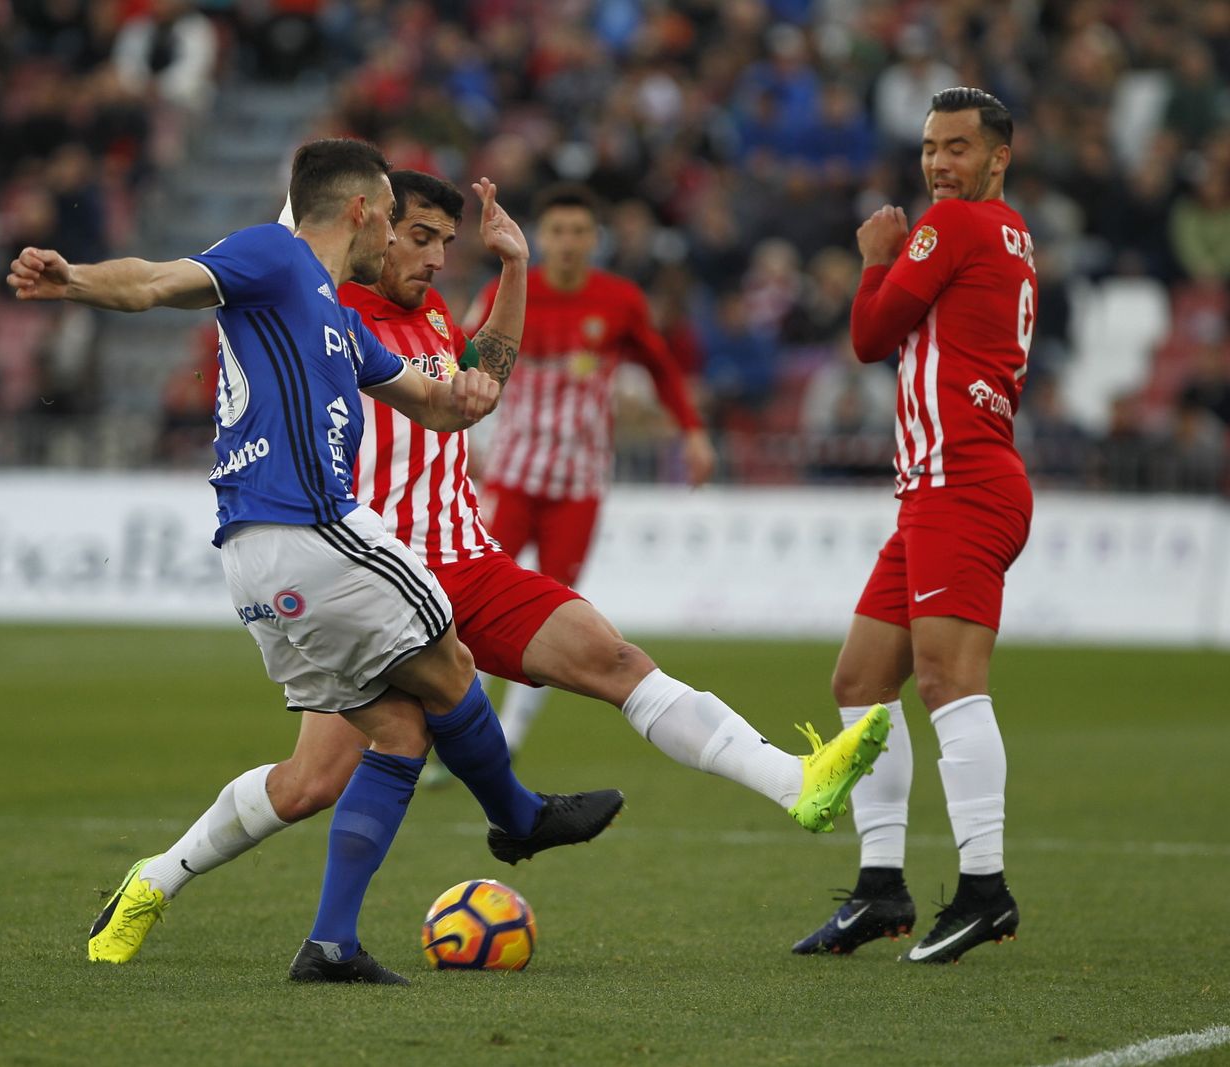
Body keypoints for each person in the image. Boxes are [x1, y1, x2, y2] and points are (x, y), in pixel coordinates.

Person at [79, 167, 892, 967]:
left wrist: (514, 269)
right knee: (309, 783)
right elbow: (219, 276)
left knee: (613, 659)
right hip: (370, 571)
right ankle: (158, 878)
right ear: (371, 229)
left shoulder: (432, 315)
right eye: (420, 237)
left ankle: (796, 781)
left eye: (445, 242)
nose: (436, 258)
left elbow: (480, 387)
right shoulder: (315, 296)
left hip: (465, 559)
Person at [7, 139, 624, 986]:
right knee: (453, 662)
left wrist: (485, 373)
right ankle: (517, 815)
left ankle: (309, 935)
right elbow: (156, 281)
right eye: (396, 224)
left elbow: (441, 408)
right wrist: (73, 279)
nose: (406, 246)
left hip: (256, 565)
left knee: (398, 735)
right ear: (366, 211)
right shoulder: (275, 255)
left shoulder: (336, 321)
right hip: (315, 529)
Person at [791, 88, 1037, 964]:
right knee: (862, 681)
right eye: (931, 147)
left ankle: (985, 888)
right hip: (938, 489)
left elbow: (868, 336)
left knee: (947, 683)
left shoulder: (955, 228)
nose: (939, 163)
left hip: (961, 484)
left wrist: (873, 260)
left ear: (998, 158)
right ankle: (881, 886)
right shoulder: (1009, 235)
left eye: (959, 148)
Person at [464, 183, 718, 756]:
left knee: (554, 607)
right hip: (512, 476)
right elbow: (458, 356)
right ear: (540, 237)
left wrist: (693, 433)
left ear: (595, 238)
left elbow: (661, 368)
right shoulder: (506, 290)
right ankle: (468, 730)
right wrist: (459, 438)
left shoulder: (619, 301)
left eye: (580, 232)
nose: (569, 243)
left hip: (578, 484)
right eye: (557, 231)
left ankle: (508, 737)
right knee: (476, 601)